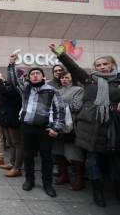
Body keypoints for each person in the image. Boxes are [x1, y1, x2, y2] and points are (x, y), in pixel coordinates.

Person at [50, 43, 120, 207]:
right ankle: (97, 192)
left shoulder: (118, 82)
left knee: (115, 161)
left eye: (105, 64)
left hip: (112, 127)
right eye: (98, 65)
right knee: (92, 160)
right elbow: (72, 66)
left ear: (113, 65)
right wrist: (60, 52)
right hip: (89, 127)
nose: (102, 67)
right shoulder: (89, 79)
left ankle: (117, 190)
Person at [7, 53, 65, 198]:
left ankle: (47, 184)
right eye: (32, 74)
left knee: (46, 158)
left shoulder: (52, 90)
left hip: (44, 129)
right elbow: (14, 80)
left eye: (38, 73)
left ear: (43, 76)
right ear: (29, 77)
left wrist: (55, 128)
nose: (34, 76)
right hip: (26, 127)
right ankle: (29, 180)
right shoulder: (25, 88)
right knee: (28, 155)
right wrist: (11, 64)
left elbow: (60, 111)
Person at [52, 71, 85, 191]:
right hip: (57, 125)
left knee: (74, 154)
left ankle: (79, 179)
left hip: (71, 126)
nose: (64, 80)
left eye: (66, 77)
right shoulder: (57, 91)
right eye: (62, 78)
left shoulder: (78, 89)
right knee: (58, 151)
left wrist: (59, 107)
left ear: (71, 79)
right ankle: (63, 175)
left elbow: (76, 106)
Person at [0, 72, 23, 177]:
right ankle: (12, 162)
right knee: (10, 143)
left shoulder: (18, 88)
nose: (7, 79)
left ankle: (17, 167)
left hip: (14, 120)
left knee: (17, 143)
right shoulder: (9, 87)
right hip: (7, 119)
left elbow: (3, 92)